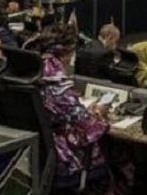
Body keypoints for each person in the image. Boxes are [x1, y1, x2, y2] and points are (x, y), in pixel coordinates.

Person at [25, 24, 112, 184]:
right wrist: (99, 113)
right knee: (118, 156)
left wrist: (81, 109)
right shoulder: (57, 83)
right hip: (65, 157)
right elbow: (88, 126)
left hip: (32, 154)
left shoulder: (30, 69)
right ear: (66, 51)